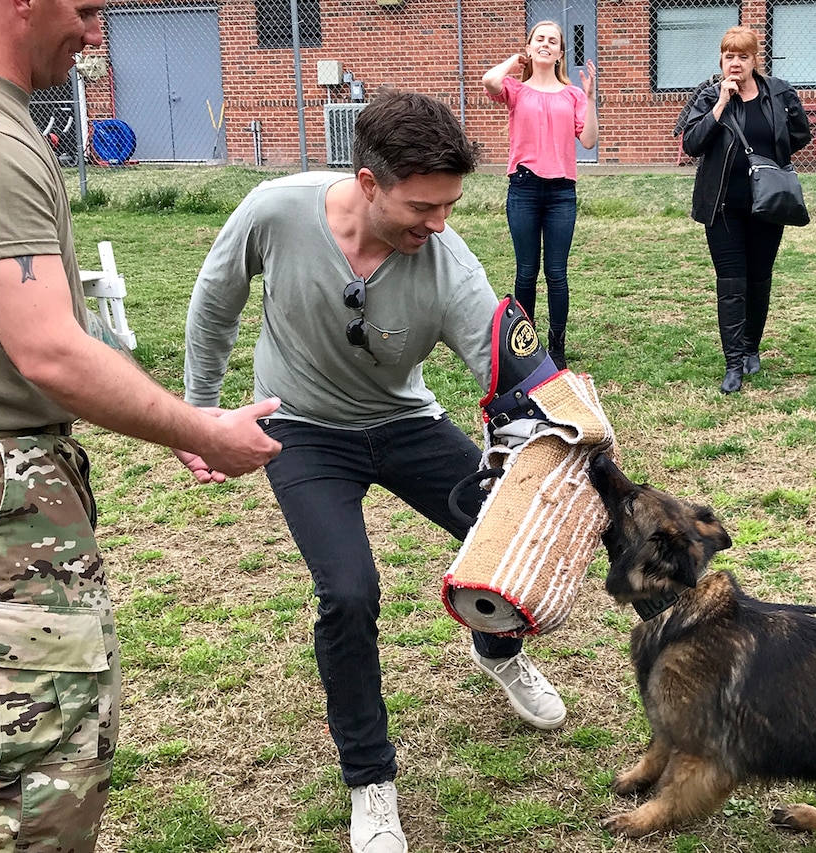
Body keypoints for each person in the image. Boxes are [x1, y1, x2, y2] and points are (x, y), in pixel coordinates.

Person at [181, 89, 568, 853]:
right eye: (424, 206)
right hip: (304, 429)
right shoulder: (275, 210)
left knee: (506, 530)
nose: (440, 223)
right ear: (367, 182)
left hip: (404, 421)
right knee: (350, 592)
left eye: (450, 204)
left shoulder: (448, 262)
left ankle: (497, 649)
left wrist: (569, 438)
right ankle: (371, 783)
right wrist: (200, 414)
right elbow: (215, 304)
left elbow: (512, 370)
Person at [0, 1, 282, 850]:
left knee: (42, 758)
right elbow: (49, 351)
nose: (97, 33)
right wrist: (204, 430)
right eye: (86, 8)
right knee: (41, 786)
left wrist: (162, 417)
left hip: (10, 479)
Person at [681, 25, 812, 394]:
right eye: (729, 56)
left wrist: (766, 166)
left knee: (758, 278)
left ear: (756, 59)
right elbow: (692, 143)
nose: (735, 63)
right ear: (721, 59)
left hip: (767, 203)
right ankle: (733, 362)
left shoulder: (779, 93)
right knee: (731, 283)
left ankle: (753, 348)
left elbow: (798, 134)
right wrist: (722, 103)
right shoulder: (708, 96)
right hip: (722, 205)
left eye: (743, 56)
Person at [483, 21, 598, 370]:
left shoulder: (572, 95)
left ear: (561, 53)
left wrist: (590, 99)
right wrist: (513, 61)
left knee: (557, 274)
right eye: (540, 40)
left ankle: (557, 348)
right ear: (530, 48)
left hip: (562, 192)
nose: (546, 44)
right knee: (526, 272)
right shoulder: (516, 90)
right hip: (524, 189)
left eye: (553, 41)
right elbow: (490, 81)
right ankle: (527, 347)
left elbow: (589, 140)